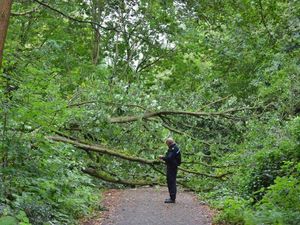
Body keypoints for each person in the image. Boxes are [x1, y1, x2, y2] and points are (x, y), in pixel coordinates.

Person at [159, 138, 181, 203]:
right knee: (171, 181)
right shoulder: (174, 147)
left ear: (169, 143)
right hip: (172, 166)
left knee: (171, 182)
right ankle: (172, 197)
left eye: (167, 144)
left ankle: (172, 198)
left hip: (172, 167)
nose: (167, 146)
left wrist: (162, 157)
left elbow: (169, 158)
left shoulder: (173, 149)